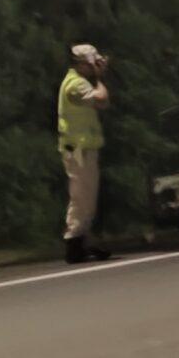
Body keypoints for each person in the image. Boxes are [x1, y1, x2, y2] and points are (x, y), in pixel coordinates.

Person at [57, 44, 112, 264]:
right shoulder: (75, 85)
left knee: (87, 197)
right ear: (82, 64)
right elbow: (102, 101)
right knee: (81, 196)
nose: (95, 67)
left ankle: (83, 241)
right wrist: (100, 78)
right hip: (78, 150)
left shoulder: (78, 82)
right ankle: (74, 244)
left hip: (83, 148)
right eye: (92, 64)